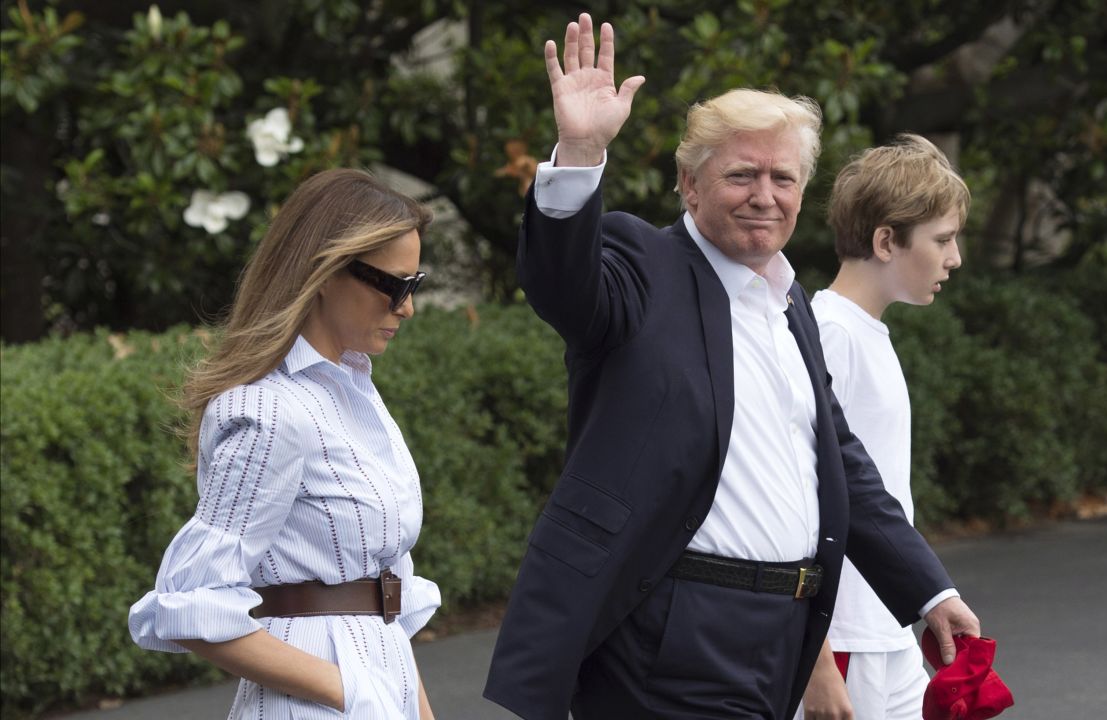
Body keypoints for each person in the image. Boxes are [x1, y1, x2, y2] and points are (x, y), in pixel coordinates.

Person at [483, 13, 980, 720]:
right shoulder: (639, 265)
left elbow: (839, 460)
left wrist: (930, 592)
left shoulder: (790, 303)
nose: (764, 195)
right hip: (669, 630)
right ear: (690, 184)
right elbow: (561, 282)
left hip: (784, 631)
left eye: (783, 177)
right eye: (741, 174)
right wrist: (579, 152)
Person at [128, 168, 441, 719]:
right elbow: (192, 600)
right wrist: (346, 690)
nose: (406, 307)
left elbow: (386, 586)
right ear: (322, 271)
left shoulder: (355, 392)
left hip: (383, 690)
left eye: (413, 285)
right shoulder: (267, 409)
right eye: (393, 285)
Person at [798, 136, 969, 720]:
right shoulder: (830, 334)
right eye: (943, 240)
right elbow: (802, 500)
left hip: (888, 632)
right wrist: (817, 660)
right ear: (885, 241)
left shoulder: (863, 331)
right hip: (845, 640)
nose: (955, 258)